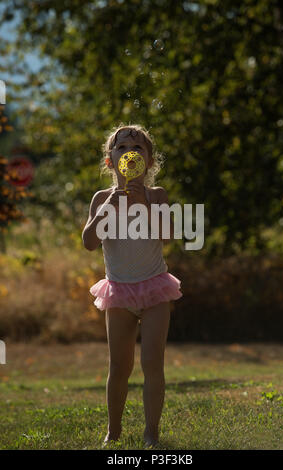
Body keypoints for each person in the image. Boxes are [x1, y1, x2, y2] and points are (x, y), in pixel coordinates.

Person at [82, 123, 183, 448]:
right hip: (119, 291)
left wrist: (146, 204)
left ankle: (151, 432)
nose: (130, 153)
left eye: (138, 148)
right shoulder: (102, 198)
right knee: (119, 365)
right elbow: (88, 243)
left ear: (150, 161)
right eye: (122, 148)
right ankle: (113, 432)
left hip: (154, 289)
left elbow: (168, 235)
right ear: (110, 161)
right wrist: (106, 210)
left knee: (153, 362)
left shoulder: (157, 195)